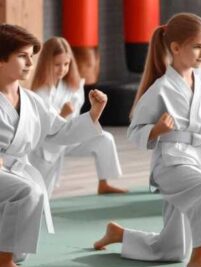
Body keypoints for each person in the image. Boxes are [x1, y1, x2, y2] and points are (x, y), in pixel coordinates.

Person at [93, 13, 201, 267]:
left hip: (200, 155)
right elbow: (134, 130)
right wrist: (157, 130)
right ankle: (199, 257)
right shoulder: (161, 88)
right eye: (196, 46)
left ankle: (120, 234)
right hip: (171, 161)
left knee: (171, 249)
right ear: (176, 48)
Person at [0, 24, 107, 267]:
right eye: (22, 56)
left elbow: (60, 132)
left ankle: (8, 256)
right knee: (28, 191)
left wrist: (94, 113)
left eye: (31, 57)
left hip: (16, 169)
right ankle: (3, 262)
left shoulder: (30, 99)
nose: (29, 63)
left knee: (21, 252)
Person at [29, 37, 127, 197]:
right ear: (47, 64)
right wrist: (63, 114)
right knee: (40, 194)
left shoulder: (74, 87)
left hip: (71, 137)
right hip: (47, 146)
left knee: (105, 139)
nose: (62, 69)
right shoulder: (38, 93)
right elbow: (45, 130)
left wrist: (89, 111)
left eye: (66, 64)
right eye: (57, 65)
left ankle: (104, 183)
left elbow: (78, 121)